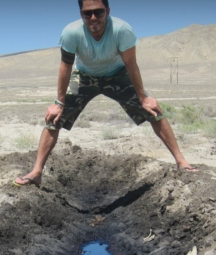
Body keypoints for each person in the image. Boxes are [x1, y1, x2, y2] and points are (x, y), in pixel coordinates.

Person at [14, 0, 197, 187]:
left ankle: (181, 162)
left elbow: (131, 64)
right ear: (81, 14)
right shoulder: (71, 33)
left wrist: (143, 98)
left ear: (107, 11)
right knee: (54, 117)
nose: (93, 17)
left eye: (98, 12)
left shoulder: (121, 30)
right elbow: (65, 67)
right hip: (84, 77)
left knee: (153, 111)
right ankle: (36, 172)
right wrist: (59, 102)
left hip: (117, 75)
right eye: (88, 13)